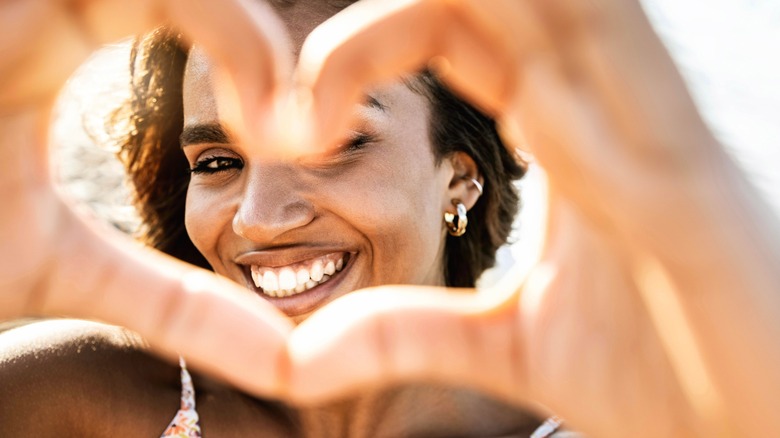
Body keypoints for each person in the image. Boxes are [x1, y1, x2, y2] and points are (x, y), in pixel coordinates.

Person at [1, 0, 779, 437]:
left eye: (338, 145)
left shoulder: (631, 418)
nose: (261, 219)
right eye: (217, 163)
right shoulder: (71, 398)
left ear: (460, 178)